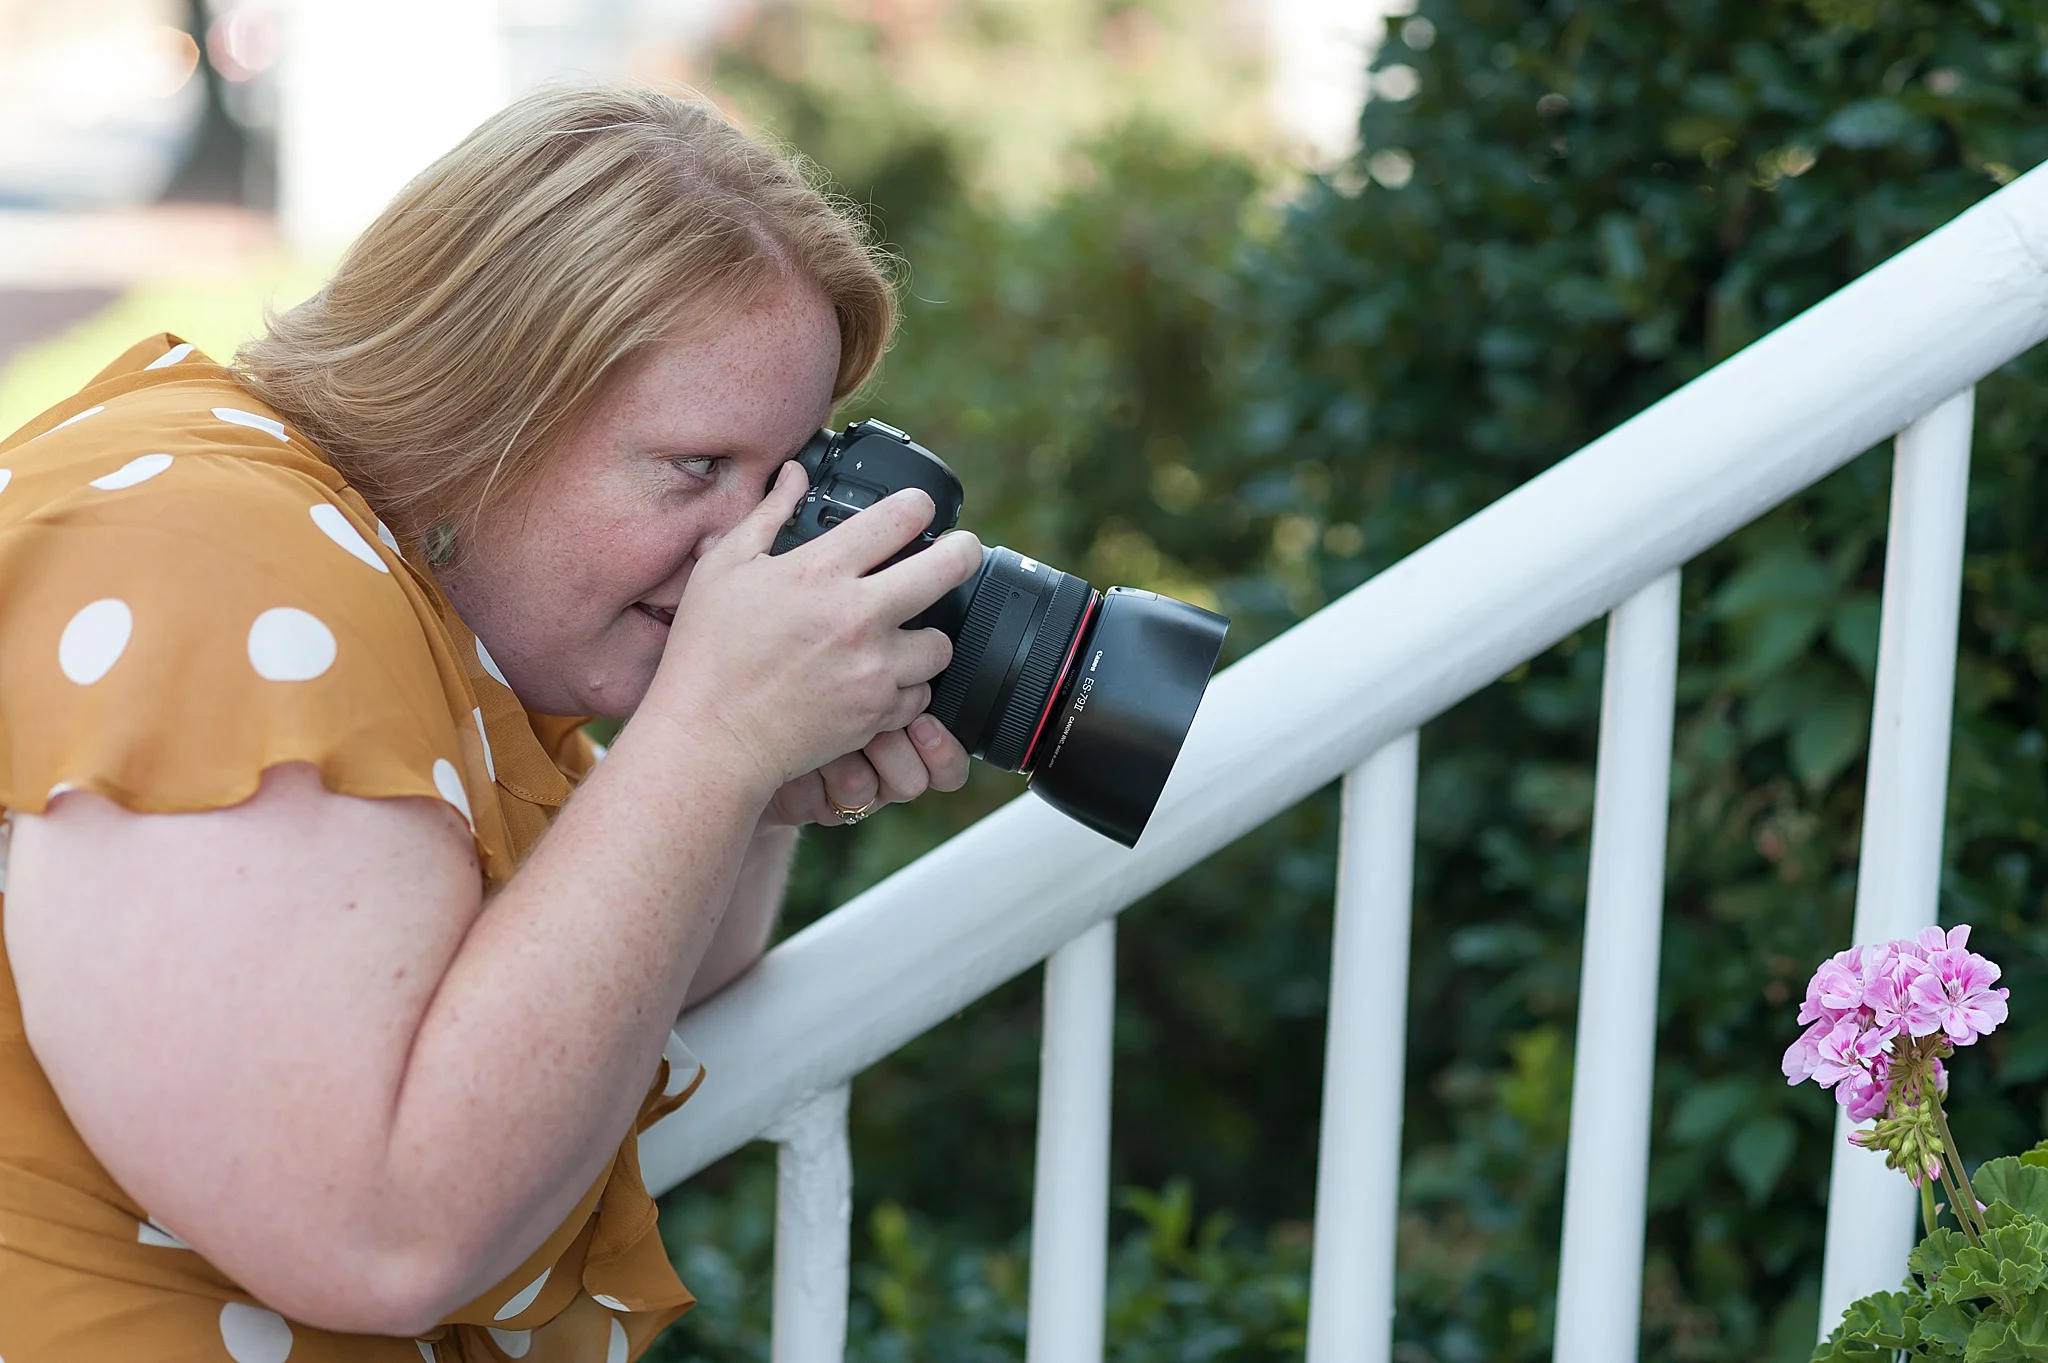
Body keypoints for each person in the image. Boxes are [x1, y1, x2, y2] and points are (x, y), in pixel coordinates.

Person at [0, 84, 980, 1362]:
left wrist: (741, 787)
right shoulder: (225, 564)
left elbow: (586, 1011)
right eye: (698, 467)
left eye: (788, 476)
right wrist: (709, 742)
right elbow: (375, 1230)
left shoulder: (447, 624)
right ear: (483, 399)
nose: (761, 542)